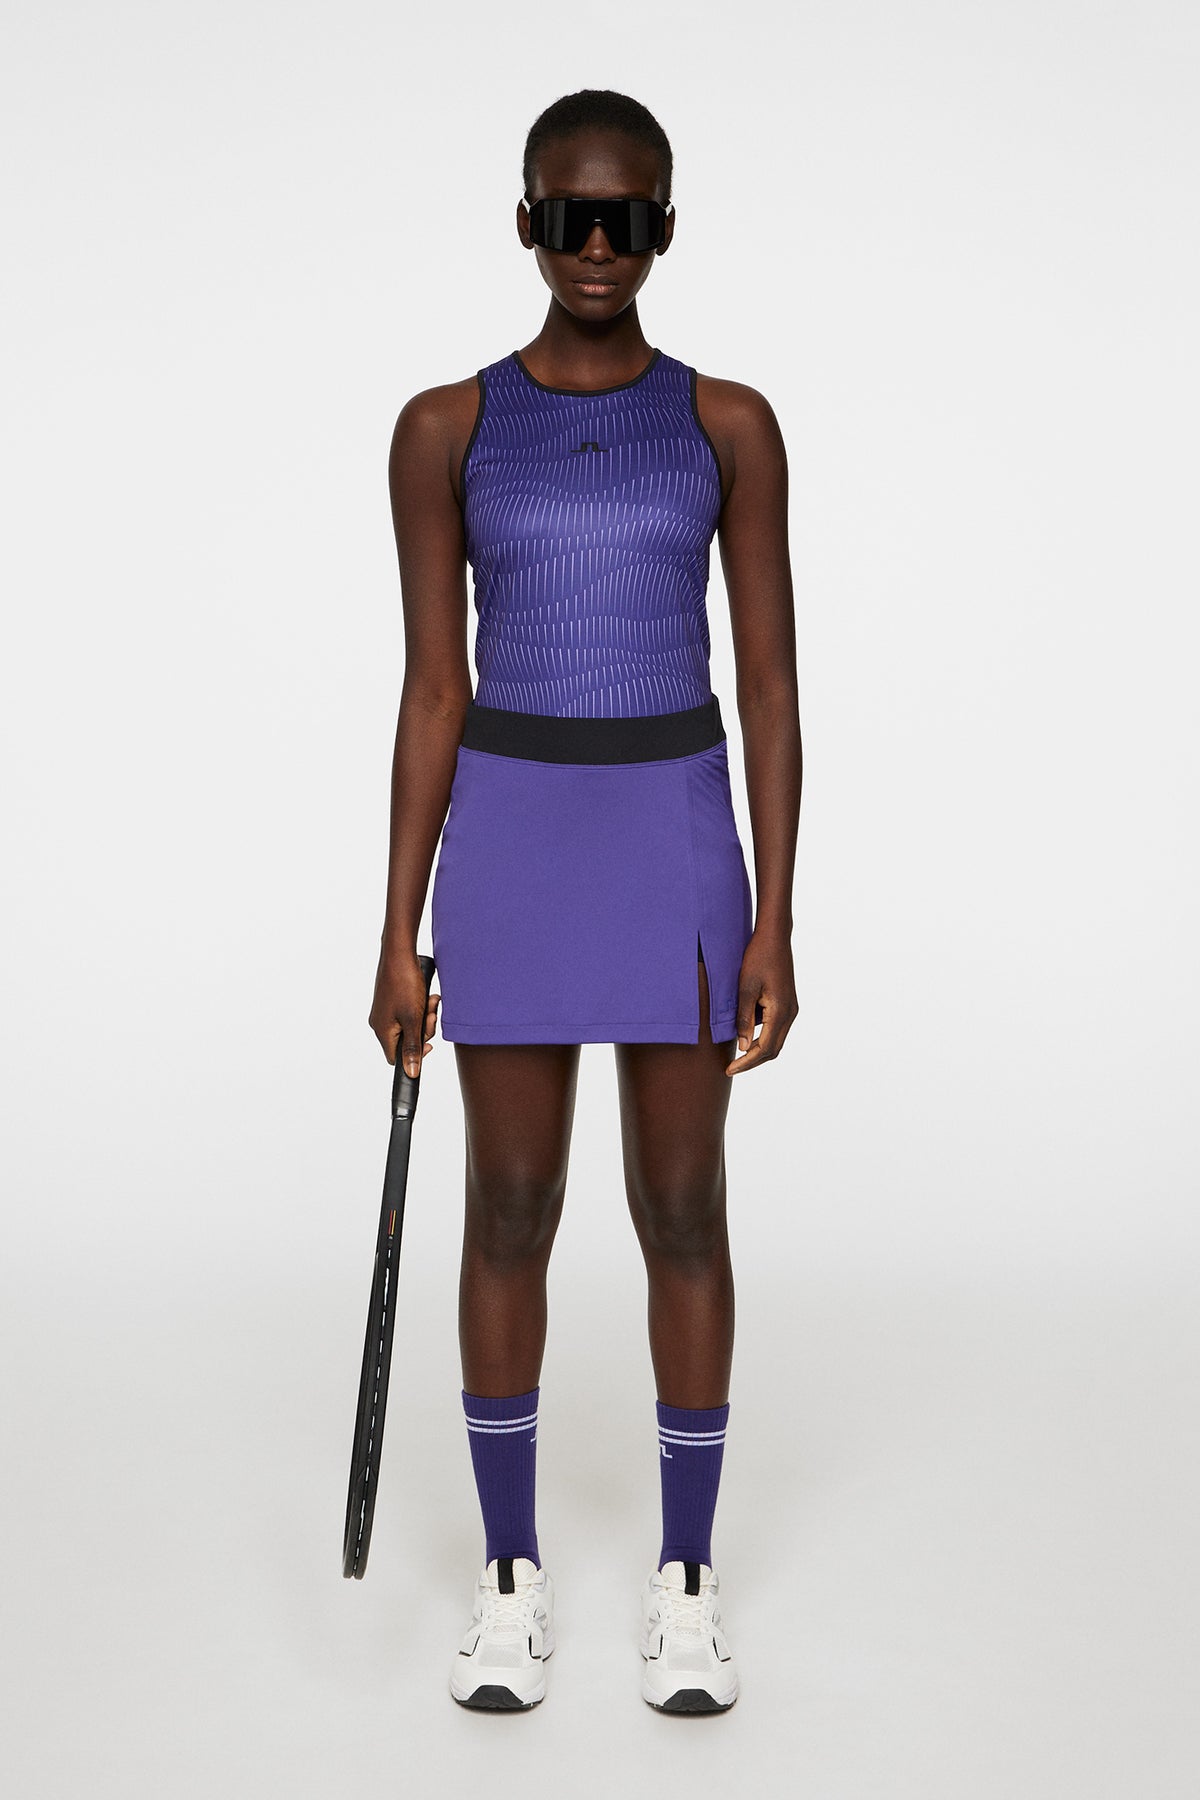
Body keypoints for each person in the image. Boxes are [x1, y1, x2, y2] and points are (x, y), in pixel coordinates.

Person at [369, 88, 801, 1714]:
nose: (598, 244)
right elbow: (434, 688)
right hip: (515, 832)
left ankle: (685, 1580)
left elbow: (770, 683)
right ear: (528, 223)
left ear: (666, 229)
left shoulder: (729, 422)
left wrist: (774, 916)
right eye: (570, 215)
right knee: (509, 1204)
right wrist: (396, 927)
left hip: (672, 830)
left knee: (681, 1209)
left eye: (626, 217)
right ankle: (508, 1576)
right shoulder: (447, 427)